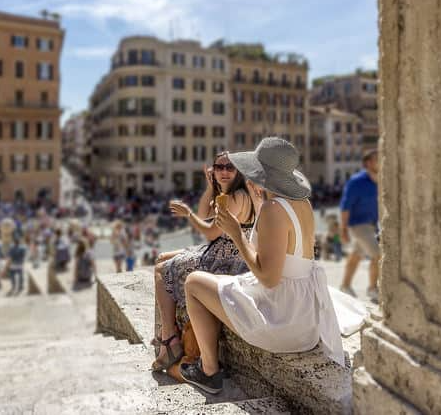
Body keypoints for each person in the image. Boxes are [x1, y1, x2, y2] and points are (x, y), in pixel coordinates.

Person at [180, 138, 353, 394]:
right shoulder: (300, 203)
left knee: (193, 282)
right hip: (303, 316)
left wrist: (236, 234)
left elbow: (269, 278)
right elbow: (283, 253)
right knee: (220, 282)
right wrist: (259, 203)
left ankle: (208, 371)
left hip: (283, 319)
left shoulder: (273, 209)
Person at [151, 151, 258, 372]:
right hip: (222, 251)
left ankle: (169, 338)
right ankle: (167, 338)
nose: (225, 171)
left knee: (162, 269)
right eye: (219, 167)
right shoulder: (228, 194)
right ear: (213, 170)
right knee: (162, 258)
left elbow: (209, 232)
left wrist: (188, 214)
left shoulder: (236, 197)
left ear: (238, 170)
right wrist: (210, 187)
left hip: (228, 258)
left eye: (230, 167)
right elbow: (205, 215)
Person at [339, 149, 380, 302]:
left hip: (372, 225)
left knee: (356, 255)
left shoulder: (379, 181)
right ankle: (372, 288)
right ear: (368, 163)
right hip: (358, 225)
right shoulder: (356, 181)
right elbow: (345, 206)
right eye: (377, 159)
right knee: (378, 254)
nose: (381, 161)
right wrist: (343, 229)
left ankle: (345, 285)